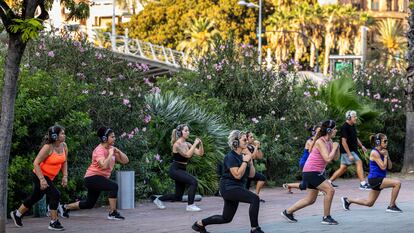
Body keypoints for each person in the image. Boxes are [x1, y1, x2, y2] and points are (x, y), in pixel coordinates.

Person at [192, 130, 264, 233]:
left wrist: (250, 161)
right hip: (228, 187)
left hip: (236, 187)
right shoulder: (230, 156)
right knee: (255, 199)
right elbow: (237, 175)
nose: (247, 141)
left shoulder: (243, 156)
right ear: (235, 142)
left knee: (226, 218)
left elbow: (251, 175)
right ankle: (255, 229)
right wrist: (244, 161)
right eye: (244, 139)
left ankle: (199, 224)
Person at [281, 120, 340, 225]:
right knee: (330, 190)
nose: (336, 130)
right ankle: (326, 217)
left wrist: (337, 148)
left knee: (310, 199)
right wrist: (334, 147)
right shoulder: (320, 142)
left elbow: (335, 158)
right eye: (335, 128)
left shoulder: (330, 142)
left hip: (314, 172)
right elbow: (327, 158)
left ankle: (288, 212)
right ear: (329, 130)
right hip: (312, 171)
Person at [63, 127, 129, 220]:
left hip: (99, 178)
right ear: (105, 138)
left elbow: (125, 161)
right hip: (92, 178)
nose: (115, 138)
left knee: (89, 204)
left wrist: (118, 151)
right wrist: (110, 154)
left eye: (114, 137)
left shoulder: (111, 149)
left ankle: (65, 207)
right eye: (112, 137)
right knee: (114, 186)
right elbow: (103, 166)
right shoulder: (99, 150)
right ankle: (112, 212)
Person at [10, 125, 68, 230]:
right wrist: (42, 180)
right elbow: (36, 163)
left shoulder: (64, 146)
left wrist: (65, 176)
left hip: (49, 177)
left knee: (35, 197)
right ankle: (53, 222)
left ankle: (17, 214)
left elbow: (64, 161)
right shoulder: (48, 147)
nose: (64, 135)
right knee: (55, 194)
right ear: (55, 136)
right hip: (39, 175)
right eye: (62, 133)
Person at [341, 133, 402, 213]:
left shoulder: (384, 152)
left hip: (379, 178)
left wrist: (387, 156)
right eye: (385, 141)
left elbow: (389, 167)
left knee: (369, 203)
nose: (387, 143)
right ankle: (391, 206)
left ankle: (348, 200)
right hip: (375, 179)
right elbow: (383, 167)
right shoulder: (375, 153)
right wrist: (386, 157)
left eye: (387, 141)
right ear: (378, 142)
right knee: (397, 183)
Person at [153, 124, 204, 212]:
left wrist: (200, 144)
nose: (188, 132)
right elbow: (187, 155)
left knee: (178, 196)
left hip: (182, 169)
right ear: (180, 133)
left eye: (188, 130)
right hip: (175, 170)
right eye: (186, 130)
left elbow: (200, 153)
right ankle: (190, 205)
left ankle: (158, 199)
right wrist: (195, 143)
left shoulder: (187, 144)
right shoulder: (176, 145)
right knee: (193, 182)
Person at [328, 110, 370, 190]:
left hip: (352, 150)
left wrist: (362, 146)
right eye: (354, 117)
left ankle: (329, 182)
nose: (356, 118)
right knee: (359, 162)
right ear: (349, 117)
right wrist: (349, 154)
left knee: (343, 168)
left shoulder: (352, 125)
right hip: (348, 151)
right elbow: (343, 142)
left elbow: (355, 137)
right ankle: (363, 184)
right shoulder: (345, 127)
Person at [283, 125, 320, 194]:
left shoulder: (320, 141)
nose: (320, 132)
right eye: (318, 131)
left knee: (304, 185)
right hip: (305, 163)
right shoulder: (309, 141)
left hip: (312, 164)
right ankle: (318, 191)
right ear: (314, 132)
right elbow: (311, 150)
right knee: (305, 184)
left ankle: (288, 185)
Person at [245, 131, 266, 202]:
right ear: (246, 138)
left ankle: (256, 196)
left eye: (253, 137)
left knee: (262, 178)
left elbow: (260, 157)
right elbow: (252, 157)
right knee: (245, 190)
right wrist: (256, 146)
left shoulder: (252, 146)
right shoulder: (244, 147)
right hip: (244, 171)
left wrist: (258, 147)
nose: (253, 138)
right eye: (251, 137)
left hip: (251, 170)